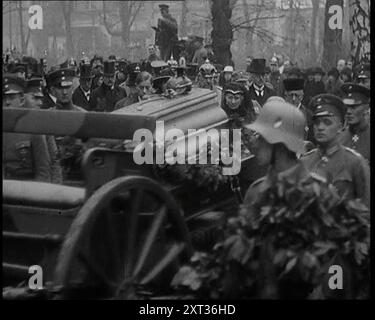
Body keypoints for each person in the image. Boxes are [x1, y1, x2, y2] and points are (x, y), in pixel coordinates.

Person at [301, 94, 370, 208]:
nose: (320, 127)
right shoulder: (304, 162)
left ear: (341, 126)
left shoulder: (354, 163)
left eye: (327, 122)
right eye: (317, 122)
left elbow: (366, 209)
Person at [3, 74, 52, 182]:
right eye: (4, 98)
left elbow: (43, 171)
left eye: (11, 98)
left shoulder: (33, 129)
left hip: (27, 190)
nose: (7, 102)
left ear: (21, 100)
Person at [24, 78, 63, 184]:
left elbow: (54, 162)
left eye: (41, 98)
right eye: (35, 98)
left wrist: (55, 190)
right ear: (22, 98)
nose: (40, 102)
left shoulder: (43, 126)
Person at [338, 83, 370, 163]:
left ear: (366, 108)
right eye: (347, 107)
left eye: (354, 107)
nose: (348, 112)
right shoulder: (339, 138)